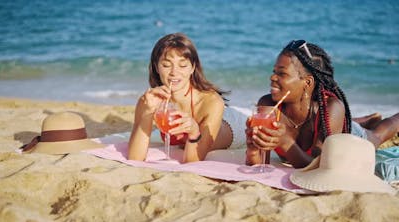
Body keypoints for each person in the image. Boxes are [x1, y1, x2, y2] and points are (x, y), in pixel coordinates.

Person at [246, 40, 399, 168]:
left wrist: (286, 142)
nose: (272, 77)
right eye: (274, 71)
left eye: (282, 73)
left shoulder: (330, 110)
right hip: (332, 125)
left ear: (307, 82)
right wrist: (253, 150)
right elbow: (258, 165)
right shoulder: (268, 107)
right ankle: (366, 119)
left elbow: (317, 166)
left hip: (346, 132)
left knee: (377, 136)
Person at [128, 33, 248, 162]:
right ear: (156, 67)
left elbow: (192, 160)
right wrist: (146, 112)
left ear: (193, 67)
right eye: (166, 65)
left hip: (236, 125)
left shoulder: (210, 102)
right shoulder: (150, 99)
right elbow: (135, 157)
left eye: (183, 65)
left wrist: (194, 131)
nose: (174, 72)